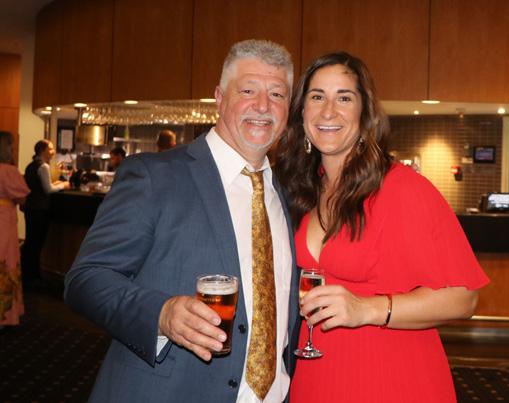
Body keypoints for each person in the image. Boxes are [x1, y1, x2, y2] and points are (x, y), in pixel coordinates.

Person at [64, 39, 299, 402]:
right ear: (219, 97)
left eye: (277, 94)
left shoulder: (284, 195)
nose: (263, 106)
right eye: (248, 90)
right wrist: (161, 314)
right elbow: (86, 279)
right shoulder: (154, 176)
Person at [275, 52, 490, 402]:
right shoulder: (302, 189)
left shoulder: (403, 189)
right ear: (301, 112)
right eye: (317, 97)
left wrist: (367, 309)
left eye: (344, 98)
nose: (328, 111)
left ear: (365, 113)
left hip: (390, 376)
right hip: (317, 372)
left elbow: (463, 298)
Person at [20, 139, 69, 288]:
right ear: (43, 150)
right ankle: (34, 277)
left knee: (30, 242)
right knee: (36, 243)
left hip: (31, 209)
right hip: (40, 210)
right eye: (51, 149)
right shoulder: (44, 166)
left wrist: (55, 184)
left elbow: (38, 186)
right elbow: (48, 190)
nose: (53, 152)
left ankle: (27, 276)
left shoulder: (31, 165)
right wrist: (63, 185)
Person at [0, 131, 30, 327]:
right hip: (4, 220)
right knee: (6, 261)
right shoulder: (9, 171)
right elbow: (22, 199)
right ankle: (5, 315)